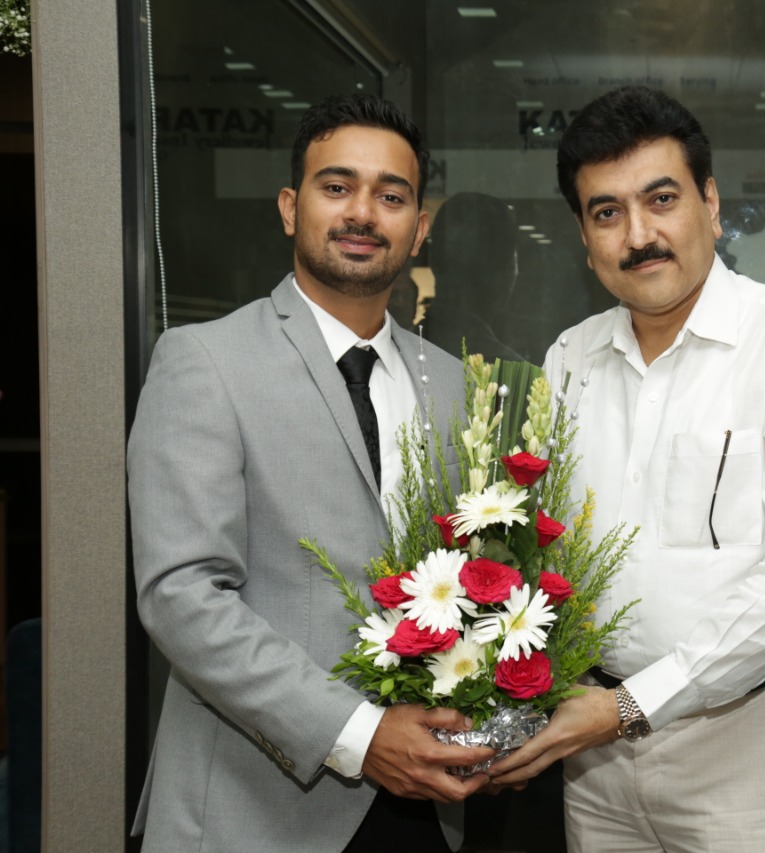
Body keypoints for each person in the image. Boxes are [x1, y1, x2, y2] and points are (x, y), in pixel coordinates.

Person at [488, 85, 765, 853]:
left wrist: (634, 703)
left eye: (661, 199)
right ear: (584, 236)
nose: (640, 235)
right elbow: (541, 551)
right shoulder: (570, 357)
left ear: (711, 204)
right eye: (607, 212)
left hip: (743, 751)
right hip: (591, 754)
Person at [128, 94, 494, 853]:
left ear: (419, 227)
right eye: (337, 187)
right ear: (291, 208)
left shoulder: (456, 387)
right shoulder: (205, 362)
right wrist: (358, 733)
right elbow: (182, 595)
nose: (363, 212)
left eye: (391, 196)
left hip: (428, 807)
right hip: (255, 810)